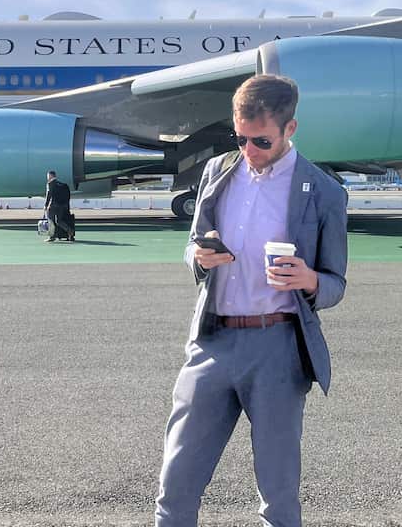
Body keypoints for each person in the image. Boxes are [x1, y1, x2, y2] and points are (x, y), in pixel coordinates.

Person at [154, 74, 348, 527]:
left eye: (261, 140)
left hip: (278, 347)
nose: (249, 151)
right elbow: (191, 250)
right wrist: (199, 257)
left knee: (278, 496)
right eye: (239, 138)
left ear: (290, 129)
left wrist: (310, 279)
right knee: (176, 483)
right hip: (212, 343)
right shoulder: (217, 172)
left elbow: (336, 282)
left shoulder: (323, 191)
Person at [43, 170, 74, 242]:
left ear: (51, 176)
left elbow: (49, 195)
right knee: (59, 221)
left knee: (50, 220)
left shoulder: (50, 184)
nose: (47, 177)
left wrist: (46, 205)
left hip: (53, 205)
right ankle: (70, 231)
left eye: (48, 175)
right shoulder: (62, 184)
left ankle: (51, 236)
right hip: (62, 206)